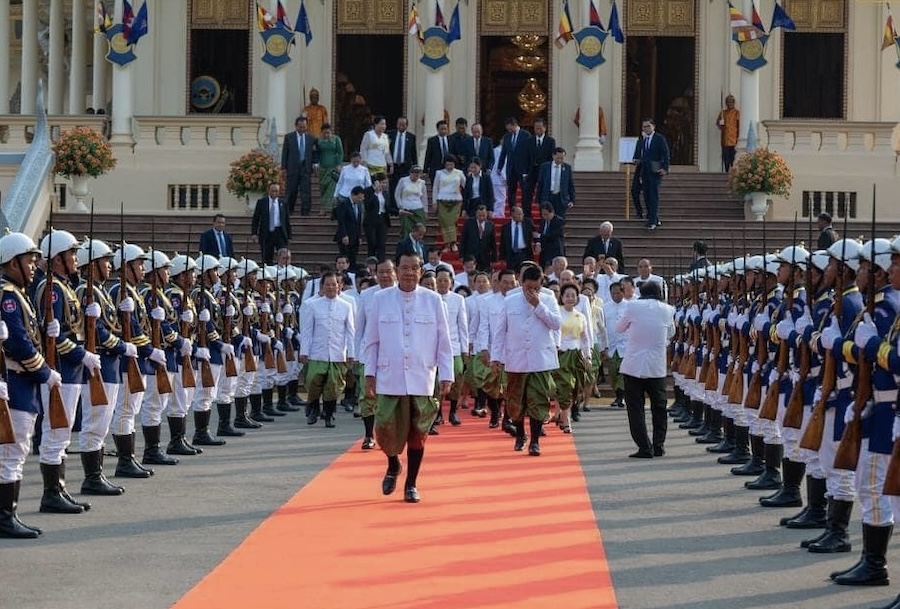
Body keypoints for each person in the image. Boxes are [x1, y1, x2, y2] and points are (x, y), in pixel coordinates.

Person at [362, 253, 454, 503]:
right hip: (389, 374)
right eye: (404, 268)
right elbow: (371, 341)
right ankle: (393, 463)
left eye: (414, 268)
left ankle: (411, 484)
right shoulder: (381, 299)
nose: (409, 272)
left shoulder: (433, 301)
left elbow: (444, 342)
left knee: (418, 432)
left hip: (421, 375)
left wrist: (447, 374)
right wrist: (369, 373)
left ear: (421, 271)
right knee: (384, 428)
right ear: (396, 270)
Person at [0, 232, 59, 538]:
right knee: (12, 452)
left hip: (19, 380)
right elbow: (20, 344)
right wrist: (45, 372)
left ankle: (8, 515)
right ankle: (4, 517)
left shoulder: (16, 292)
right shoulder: (8, 296)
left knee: (14, 452)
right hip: (16, 380)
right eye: (30, 260)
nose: (35, 266)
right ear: (13, 263)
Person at [490, 264, 561, 455]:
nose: (532, 291)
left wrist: (539, 306)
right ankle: (521, 435)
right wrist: (496, 357)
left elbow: (556, 324)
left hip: (540, 359)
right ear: (521, 283)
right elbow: (500, 332)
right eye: (528, 287)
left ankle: (535, 441)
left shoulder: (548, 299)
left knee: (538, 400)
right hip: (516, 359)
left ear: (541, 284)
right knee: (515, 401)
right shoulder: (510, 301)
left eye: (536, 287)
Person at [616, 280, 675, 458]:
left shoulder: (633, 306)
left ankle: (644, 446)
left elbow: (619, 328)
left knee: (635, 408)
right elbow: (671, 332)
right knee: (659, 406)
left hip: (634, 364)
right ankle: (659, 445)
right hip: (656, 366)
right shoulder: (667, 309)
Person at [300, 271, 356, 428]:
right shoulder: (312, 305)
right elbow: (307, 331)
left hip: (337, 353)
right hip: (317, 352)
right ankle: (313, 407)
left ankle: (329, 415)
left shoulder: (346, 306)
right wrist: (304, 351)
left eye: (334, 284)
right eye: (328, 284)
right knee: (313, 382)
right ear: (322, 287)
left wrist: (351, 353)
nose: (331, 287)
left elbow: (351, 332)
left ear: (339, 286)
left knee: (333, 386)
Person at [553, 284, 591, 434]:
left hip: (576, 356)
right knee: (565, 386)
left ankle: (561, 415)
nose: (570, 298)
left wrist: (587, 355)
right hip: (561, 354)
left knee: (576, 387)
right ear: (561, 297)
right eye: (567, 295)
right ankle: (566, 418)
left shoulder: (580, 316)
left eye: (573, 295)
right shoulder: (557, 314)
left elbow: (585, 338)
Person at [632, 118, 669, 231]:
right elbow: (639, 153)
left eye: (648, 126)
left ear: (653, 127)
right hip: (644, 171)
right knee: (646, 195)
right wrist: (636, 159)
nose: (646, 128)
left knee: (653, 195)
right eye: (644, 127)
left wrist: (665, 168)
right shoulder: (642, 140)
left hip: (655, 171)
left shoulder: (659, 139)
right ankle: (653, 217)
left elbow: (665, 153)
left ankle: (652, 221)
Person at [496, 117, 534, 218]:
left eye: (510, 128)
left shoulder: (526, 135)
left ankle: (526, 214)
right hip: (511, 169)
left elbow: (530, 153)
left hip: (523, 169)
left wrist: (529, 169)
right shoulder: (507, 137)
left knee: (525, 192)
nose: (509, 130)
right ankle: (513, 213)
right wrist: (499, 167)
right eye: (508, 129)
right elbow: (504, 153)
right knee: (511, 192)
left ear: (514, 125)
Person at [281, 116, 318, 215]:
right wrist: (284, 168)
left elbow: (314, 153)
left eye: (304, 127)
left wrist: (315, 164)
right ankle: (289, 211)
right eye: (300, 127)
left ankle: (305, 212)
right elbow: (285, 153)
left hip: (305, 167)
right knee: (291, 191)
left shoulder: (311, 138)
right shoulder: (289, 137)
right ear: (296, 126)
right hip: (292, 167)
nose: (302, 129)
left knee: (306, 191)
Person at [251, 182, 291, 265]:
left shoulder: (283, 203)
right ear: (268, 191)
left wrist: (289, 235)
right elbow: (256, 218)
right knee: (267, 257)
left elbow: (287, 220)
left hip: (280, 232)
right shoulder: (262, 202)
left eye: (276, 191)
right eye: (272, 191)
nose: (274, 193)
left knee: (283, 255)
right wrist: (254, 233)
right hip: (267, 233)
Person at [432, 155, 465, 253]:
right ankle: (447, 244)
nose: (449, 166)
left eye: (451, 164)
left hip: (455, 201)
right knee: (445, 223)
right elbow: (435, 188)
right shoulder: (439, 173)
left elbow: (466, 184)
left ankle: (453, 243)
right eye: (447, 164)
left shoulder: (459, 173)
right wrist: (434, 202)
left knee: (452, 222)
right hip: (442, 200)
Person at [602, 282, 627, 408]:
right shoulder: (605, 307)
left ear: (623, 292)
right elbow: (602, 327)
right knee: (612, 373)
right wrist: (604, 346)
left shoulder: (629, 307)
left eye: (618, 292)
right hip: (611, 345)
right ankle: (617, 395)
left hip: (625, 345)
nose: (615, 295)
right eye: (613, 293)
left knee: (622, 372)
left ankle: (621, 397)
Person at [524, 118, 556, 210]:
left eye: (540, 128)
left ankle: (544, 213)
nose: (538, 130)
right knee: (527, 193)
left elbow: (551, 157)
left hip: (544, 171)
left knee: (543, 193)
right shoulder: (529, 141)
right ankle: (527, 215)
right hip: (531, 171)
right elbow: (526, 157)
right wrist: (525, 172)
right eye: (536, 128)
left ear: (545, 128)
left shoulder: (550, 141)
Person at [537, 146, 575, 220]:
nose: (560, 160)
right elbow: (540, 183)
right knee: (545, 218)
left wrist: (572, 200)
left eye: (562, 158)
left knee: (560, 219)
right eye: (558, 158)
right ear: (553, 156)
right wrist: (538, 199)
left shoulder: (567, 168)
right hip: (548, 196)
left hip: (560, 198)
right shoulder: (545, 167)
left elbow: (570, 184)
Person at [316, 123, 344, 218]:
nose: (326, 135)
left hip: (333, 167)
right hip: (322, 167)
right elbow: (316, 153)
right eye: (324, 133)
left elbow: (340, 152)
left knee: (331, 189)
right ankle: (323, 207)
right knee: (323, 187)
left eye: (328, 133)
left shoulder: (336, 139)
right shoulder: (318, 140)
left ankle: (329, 208)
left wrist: (339, 164)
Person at [394, 165, 428, 239]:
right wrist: (400, 206)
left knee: (419, 229)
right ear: (410, 173)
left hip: (418, 208)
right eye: (414, 173)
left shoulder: (422, 183)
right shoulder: (403, 180)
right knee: (406, 229)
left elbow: (424, 197)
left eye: (418, 173)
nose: (416, 175)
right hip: (406, 208)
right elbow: (397, 194)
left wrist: (425, 210)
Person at [334, 186, 365, 267]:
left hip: (355, 236)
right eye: (359, 198)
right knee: (345, 257)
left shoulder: (358, 206)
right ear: (353, 195)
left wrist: (359, 236)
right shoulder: (344, 204)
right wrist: (344, 235)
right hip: (346, 235)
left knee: (353, 258)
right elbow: (341, 221)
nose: (360, 200)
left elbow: (358, 222)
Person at [459, 205, 496, 271]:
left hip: (485, 256)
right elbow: (463, 240)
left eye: (484, 215)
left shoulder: (490, 225)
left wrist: (494, 258)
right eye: (480, 215)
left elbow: (493, 242)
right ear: (476, 214)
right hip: (471, 255)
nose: (482, 217)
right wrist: (461, 255)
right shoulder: (469, 223)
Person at [388, 116, 417, 199]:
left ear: (406, 125)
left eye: (403, 125)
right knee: (393, 187)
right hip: (393, 167)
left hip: (405, 167)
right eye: (399, 124)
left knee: (405, 187)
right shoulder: (390, 135)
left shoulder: (411, 137)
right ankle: (393, 209)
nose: (401, 126)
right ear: (397, 125)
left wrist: (415, 166)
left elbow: (413, 153)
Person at [363, 173, 390, 262]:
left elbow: (387, 207)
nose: (384, 185)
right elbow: (367, 205)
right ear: (377, 182)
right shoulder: (368, 191)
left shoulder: (385, 193)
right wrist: (375, 193)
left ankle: (381, 262)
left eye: (386, 183)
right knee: (372, 243)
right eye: (383, 183)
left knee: (381, 243)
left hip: (382, 219)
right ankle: (371, 262)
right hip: (371, 220)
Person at [500, 205, 533, 272]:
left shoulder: (528, 224)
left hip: (524, 253)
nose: (521, 215)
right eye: (519, 214)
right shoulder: (506, 227)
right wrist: (502, 258)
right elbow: (503, 243)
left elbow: (535, 234)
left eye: (522, 213)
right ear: (512, 214)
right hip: (511, 255)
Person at [534, 203, 564, 268]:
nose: (545, 216)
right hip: (544, 251)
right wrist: (538, 243)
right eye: (543, 214)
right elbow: (540, 232)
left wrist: (540, 236)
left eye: (546, 214)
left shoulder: (559, 221)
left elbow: (552, 235)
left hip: (554, 251)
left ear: (552, 212)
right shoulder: (543, 221)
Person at [717, 94, 740, 172]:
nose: (729, 103)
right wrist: (721, 124)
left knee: (733, 158)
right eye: (728, 102)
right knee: (726, 157)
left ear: (733, 103)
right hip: (725, 139)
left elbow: (739, 125)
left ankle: (733, 171)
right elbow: (718, 123)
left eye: (731, 102)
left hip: (734, 139)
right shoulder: (723, 113)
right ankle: (726, 171)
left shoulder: (737, 113)